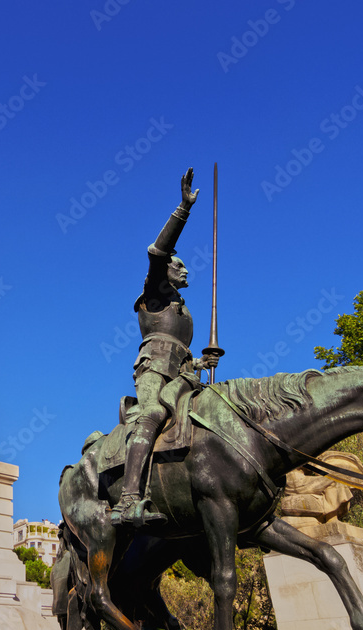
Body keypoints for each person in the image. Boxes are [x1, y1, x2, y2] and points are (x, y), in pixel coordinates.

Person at [112, 168, 213, 527]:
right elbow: (158, 251)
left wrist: (202, 361)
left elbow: (181, 352)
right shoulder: (155, 294)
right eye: (180, 266)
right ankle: (127, 501)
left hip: (182, 373)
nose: (186, 271)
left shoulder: (183, 311)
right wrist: (183, 210)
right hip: (153, 368)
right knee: (152, 414)